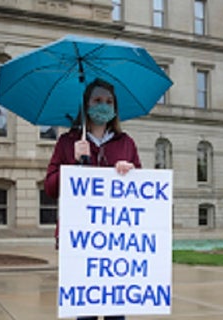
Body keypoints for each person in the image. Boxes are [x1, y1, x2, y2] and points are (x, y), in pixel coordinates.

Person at [45, 78, 140, 320]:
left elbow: (141, 190)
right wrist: (73, 163)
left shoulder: (126, 143)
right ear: (86, 105)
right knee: (85, 312)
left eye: (109, 101)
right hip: (81, 235)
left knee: (115, 311)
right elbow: (50, 187)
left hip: (115, 236)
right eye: (97, 100)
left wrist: (129, 172)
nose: (103, 105)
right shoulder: (68, 142)